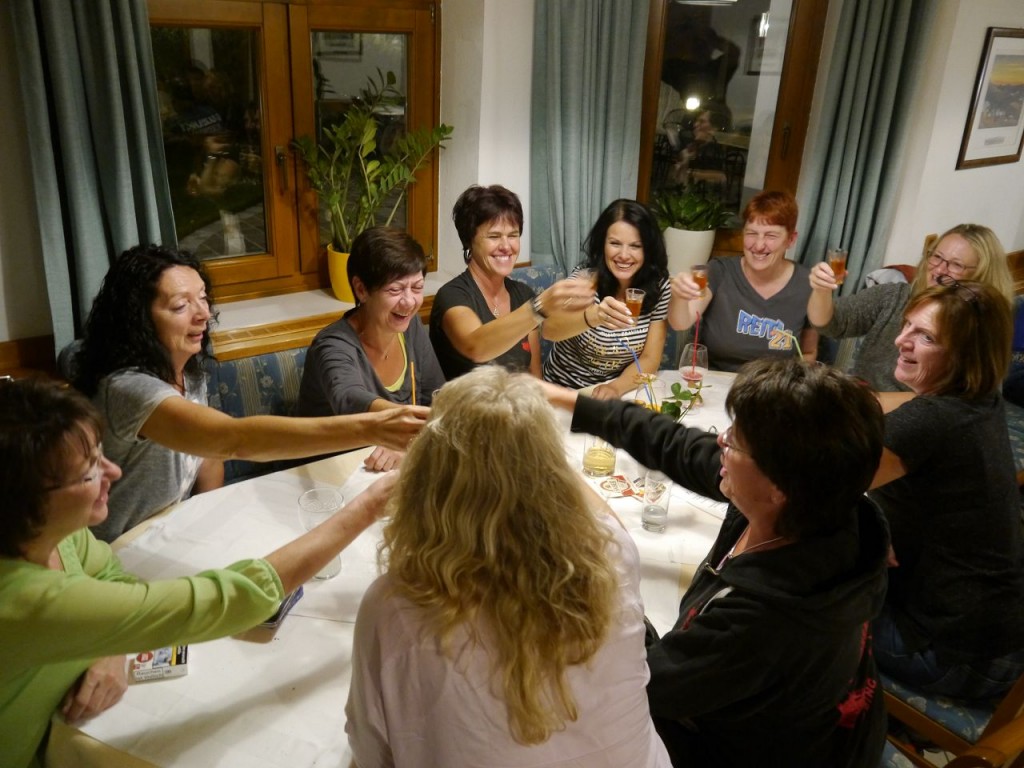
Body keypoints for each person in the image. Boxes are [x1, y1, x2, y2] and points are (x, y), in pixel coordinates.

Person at [0, 377, 397, 768]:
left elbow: (111, 578)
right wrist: (367, 507)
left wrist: (109, 644)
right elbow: (219, 602)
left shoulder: (57, 535)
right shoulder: (22, 600)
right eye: (88, 472)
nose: (113, 472)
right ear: (28, 502)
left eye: (102, 455)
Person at [543, 358, 889, 767]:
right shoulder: (815, 503)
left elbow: (641, 685)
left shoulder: (766, 623)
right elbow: (679, 446)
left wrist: (571, 495)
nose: (720, 440)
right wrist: (569, 401)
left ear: (778, 485)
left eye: (736, 441)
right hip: (796, 720)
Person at [345, 366, 671, 767]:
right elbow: (602, 521)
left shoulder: (394, 605)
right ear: (552, 466)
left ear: (426, 478)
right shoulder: (613, 555)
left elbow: (371, 751)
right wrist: (523, 444)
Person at [73, 244, 427, 541]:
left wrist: (205, 525)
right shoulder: (128, 388)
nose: (203, 314)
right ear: (139, 319)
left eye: (203, 299)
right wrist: (374, 427)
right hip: (117, 547)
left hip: (171, 531)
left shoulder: (186, 370)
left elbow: (208, 455)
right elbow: (230, 439)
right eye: (181, 306)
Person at [868, 278, 1024, 700]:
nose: (901, 340)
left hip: (954, 657)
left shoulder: (931, 420)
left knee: (798, 603)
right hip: (1002, 639)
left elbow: (812, 491)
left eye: (926, 336)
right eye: (907, 324)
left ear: (964, 355)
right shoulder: (980, 400)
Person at [298, 227, 445, 472]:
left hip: (388, 469)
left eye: (417, 288)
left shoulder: (410, 326)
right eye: (395, 290)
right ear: (361, 289)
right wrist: (407, 431)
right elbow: (349, 399)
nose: (409, 302)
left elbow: (437, 395)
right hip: (328, 473)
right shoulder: (332, 344)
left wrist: (410, 437)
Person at [808, 223, 1014, 392]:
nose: (939, 270)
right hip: (864, 405)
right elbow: (830, 324)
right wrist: (821, 290)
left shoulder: (980, 328)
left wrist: (866, 404)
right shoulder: (895, 296)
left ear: (981, 274)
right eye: (937, 257)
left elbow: (958, 404)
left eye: (956, 265)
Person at [428, 185, 595, 380]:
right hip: (466, 400)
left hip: (518, 399)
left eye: (513, 235)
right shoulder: (452, 296)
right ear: (469, 241)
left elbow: (533, 378)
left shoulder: (522, 294)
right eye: (494, 236)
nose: (506, 246)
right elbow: (476, 347)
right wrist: (539, 308)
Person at [667, 189, 818, 371]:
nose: (759, 245)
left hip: (773, 384)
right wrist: (679, 296)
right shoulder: (719, 271)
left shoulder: (808, 284)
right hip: (714, 381)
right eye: (752, 233)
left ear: (791, 240)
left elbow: (808, 353)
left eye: (771, 236)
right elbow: (680, 323)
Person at [541, 199, 671, 398]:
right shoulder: (585, 279)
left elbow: (650, 358)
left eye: (635, 246)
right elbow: (549, 330)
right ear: (603, 244)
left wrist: (615, 388)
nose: (624, 255)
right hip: (564, 391)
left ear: (648, 249)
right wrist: (594, 316)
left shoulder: (658, 285)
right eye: (615, 243)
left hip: (616, 390)